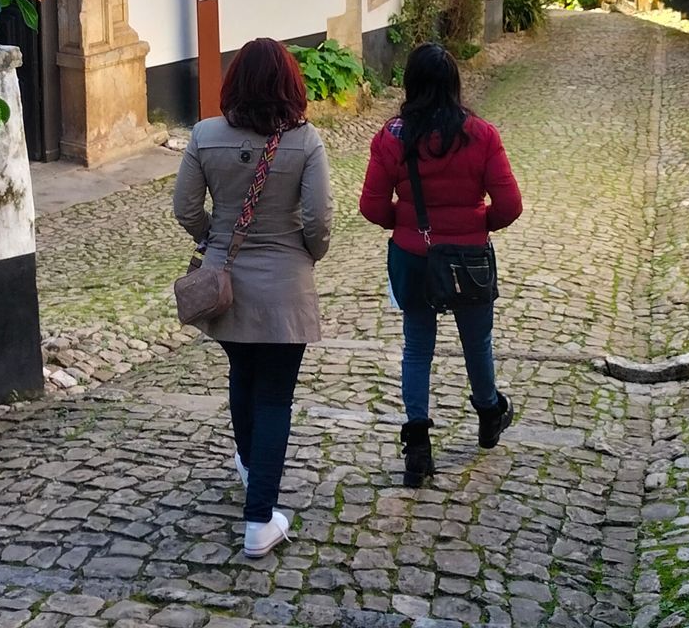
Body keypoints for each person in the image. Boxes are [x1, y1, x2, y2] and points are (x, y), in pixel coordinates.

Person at [173, 38, 332, 557]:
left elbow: (185, 208)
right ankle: (260, 518)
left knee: (242, 374)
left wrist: (210, 240)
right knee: (275, 396)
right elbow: (319, 220)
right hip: (285, 286)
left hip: (227, 283)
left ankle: (248, 464)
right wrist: (305, 252)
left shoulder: (204, 135)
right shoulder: (306, 143)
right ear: (290, 85)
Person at [358, 42, 523, 488]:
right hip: (469, 259)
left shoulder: (392, 137)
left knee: (416, 347)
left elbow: (372, 206)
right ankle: (489, 412)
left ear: (410, 85)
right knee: (477, 342)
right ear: (455, 84)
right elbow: (509, 205)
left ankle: (417, 445)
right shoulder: (482, 135)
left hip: (415, 256)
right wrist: (477, 223)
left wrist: (408, 225)